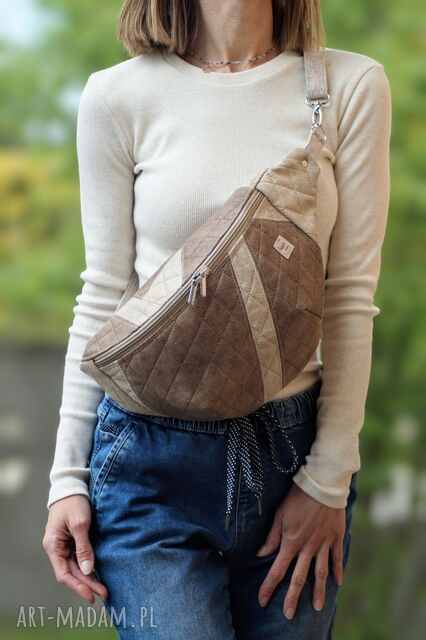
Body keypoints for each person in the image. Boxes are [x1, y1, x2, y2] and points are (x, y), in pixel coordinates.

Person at [42, 1, 392, 638]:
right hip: (148, 463)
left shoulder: (349, 87)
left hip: (293, 458)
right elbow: (103, 296)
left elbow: (348, 296)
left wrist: (327, 479)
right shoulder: (117, 97)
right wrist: (67, 478)